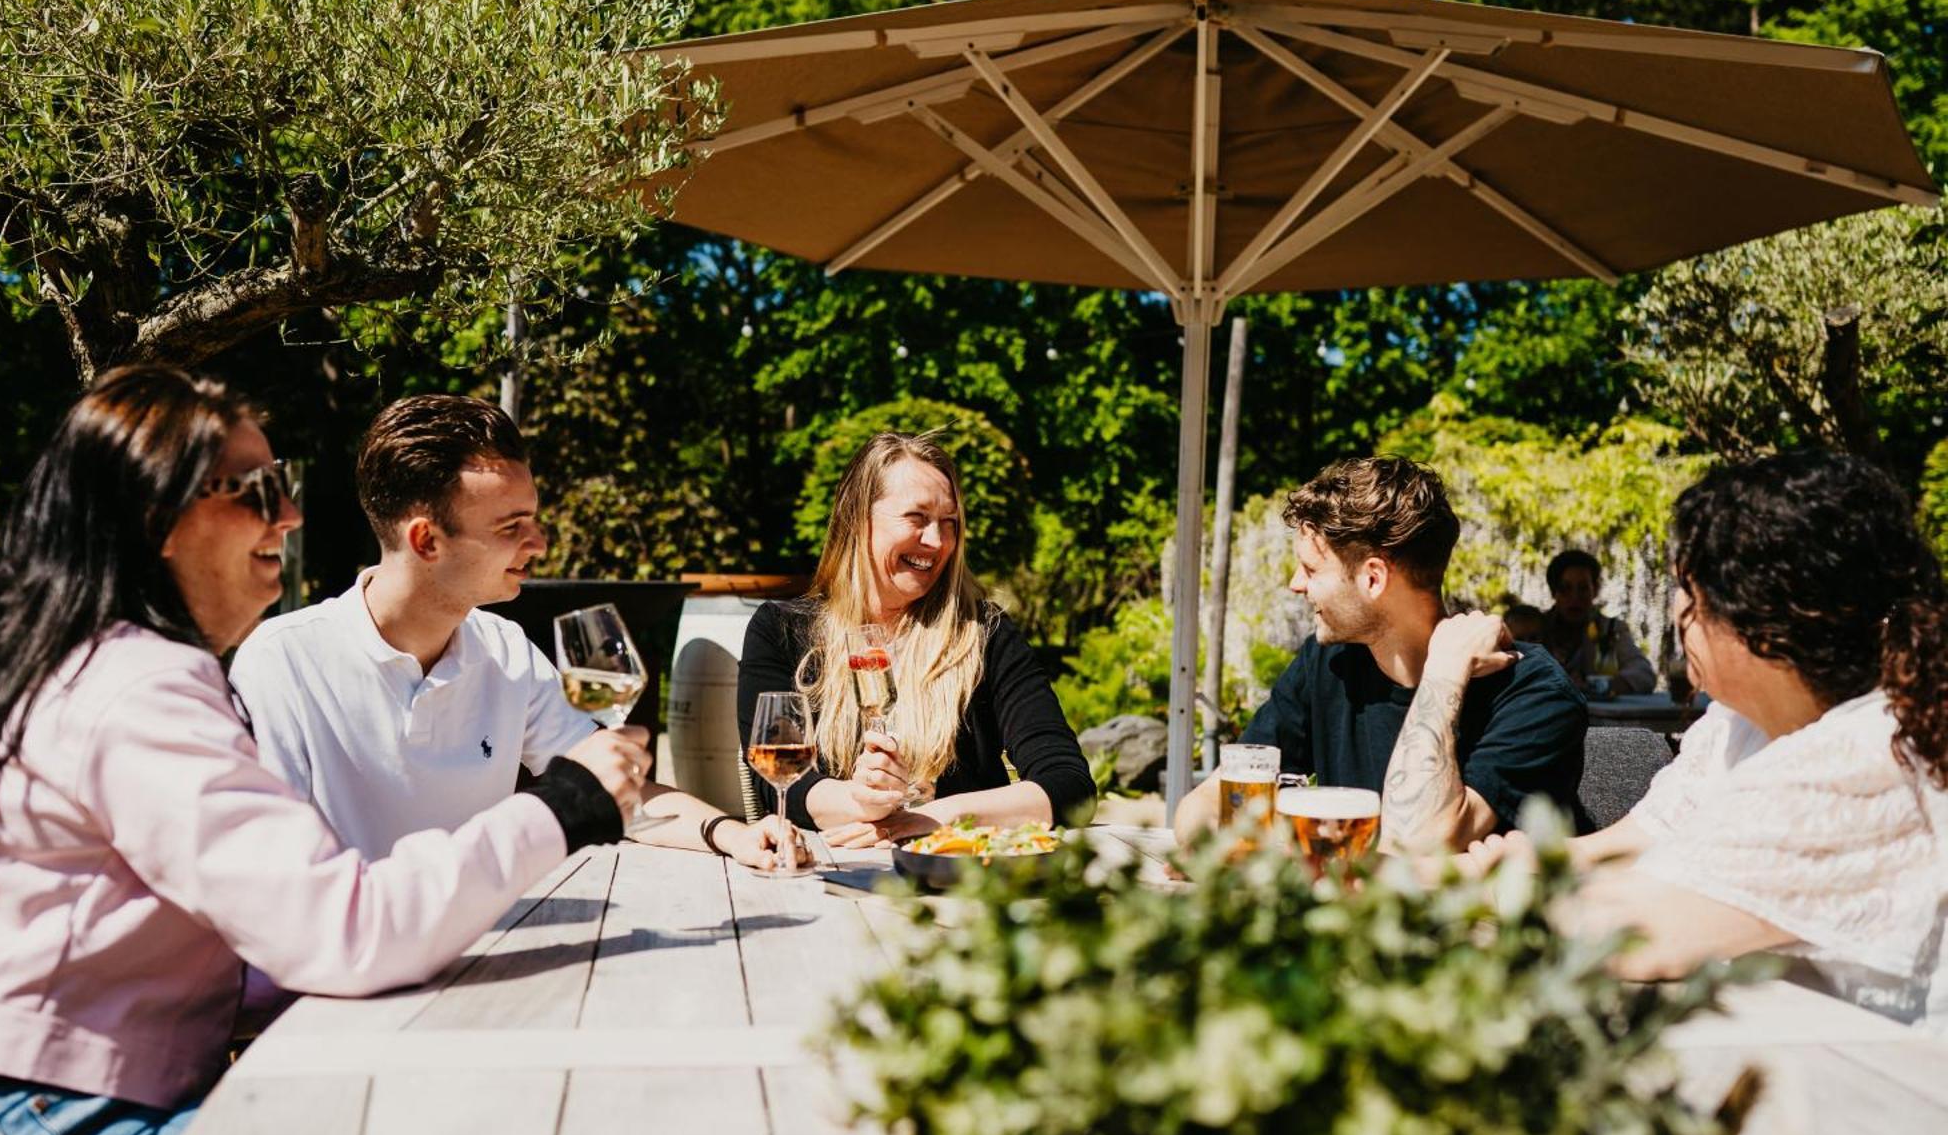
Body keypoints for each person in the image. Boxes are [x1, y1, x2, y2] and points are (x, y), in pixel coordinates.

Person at [0, 369, 648, 1135]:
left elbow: (271, 936)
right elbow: (342, 927)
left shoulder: (120, 668)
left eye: (287, 489)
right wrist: (566, 806)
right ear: (158, 518)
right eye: (258, 493)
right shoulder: (137, 690)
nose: (289, 517)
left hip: (56, 1110)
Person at [1461, 451, 1948, 1025]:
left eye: (1688, 591)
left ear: (1758, 621)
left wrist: (1483, 887)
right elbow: (1644, 839)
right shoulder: (1734, 722)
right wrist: (1534, 861)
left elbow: (1650, 933)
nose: (1677, 611)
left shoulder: (1876, 752)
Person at [230, 395, 797, 871]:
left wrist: (729, 834)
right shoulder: (284, 663)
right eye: (512, 526)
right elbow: (278, 879)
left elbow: (612, 785)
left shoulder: (505, 651)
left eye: (534, 517)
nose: (541, 543)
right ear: (426, 541)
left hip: (493, 955)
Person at [1176, 457, 1585, 853]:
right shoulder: (1329, 665)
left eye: (1311, 569)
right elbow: (1207, 803)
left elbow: (1420, 845)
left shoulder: (1534, 692)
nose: (1295, 584)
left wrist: (1442, 675)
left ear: (1373, 578)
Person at [736, 431, 1093, 847]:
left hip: (962, 876)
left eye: (949, 524)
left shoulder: (983, 634)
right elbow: (778, 782)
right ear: (857, 520)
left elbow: (1069, 785)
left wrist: (942, 816)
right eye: (917, 518)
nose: (937, 542)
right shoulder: (780, 631)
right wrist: (858, 801)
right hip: (828, 873)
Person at [1542, 549, 1656, 696]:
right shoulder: (1536, 630)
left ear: (1595, 590)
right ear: (1553, 592)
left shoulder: (1610, 630)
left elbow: (1643, 673)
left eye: (1583, 589)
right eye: (1565, 589)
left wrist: (1601, 686)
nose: (1575, 597)